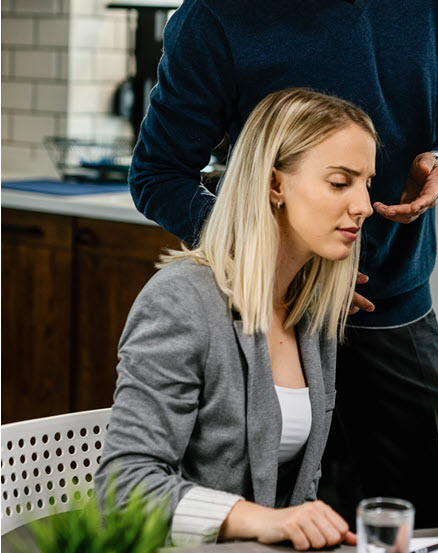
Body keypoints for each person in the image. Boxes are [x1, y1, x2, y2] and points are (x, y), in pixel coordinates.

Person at [128, 0, 438, 526]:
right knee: (290, 520)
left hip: (396, 308)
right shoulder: (219, 8)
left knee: (426, 521)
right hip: (280, 324)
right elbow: (159, 174)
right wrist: (271, 257)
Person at [97, 88, 377, 548]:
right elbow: (124, 490)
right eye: (340, 182)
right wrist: (261, 521)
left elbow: (298, 490)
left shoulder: (311, 310)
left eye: (367, 183)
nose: (364, 205)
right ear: (274, 185)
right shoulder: (181, 302)